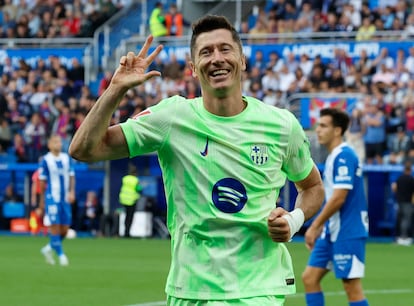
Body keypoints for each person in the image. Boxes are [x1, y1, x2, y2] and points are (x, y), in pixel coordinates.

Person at [69, 15, 324, 305]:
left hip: (257, 287)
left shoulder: (281, 125)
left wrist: (294, 219)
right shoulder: (172, 118)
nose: (217, 58)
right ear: (192, 68)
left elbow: (312, 187)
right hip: (189, 289)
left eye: (225, 49)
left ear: (242, 60)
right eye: (206, 52)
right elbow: (84, 150)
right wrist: (116, 89)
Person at [302, 108, 369, 306]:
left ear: (337, 130)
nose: (318, 130)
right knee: (309, 278)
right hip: (332, 231)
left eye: (323, 126)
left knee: (352, 287)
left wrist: (315, 225)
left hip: (348, 230)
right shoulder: (333, 157)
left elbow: (339, 198)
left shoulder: (345, 155)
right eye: (318, 125)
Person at [38, 134, 76, 266]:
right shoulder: (46, 160)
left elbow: (71, 176)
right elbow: (42, 182)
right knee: (54, 227)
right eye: (55, 142)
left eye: (59, 142)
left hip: (64, 198)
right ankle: (61, 256)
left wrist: (72, 191)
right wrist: (41, 201)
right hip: (52, 198)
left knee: (64, 229)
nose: (58, 144)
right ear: (49, 145)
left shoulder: (66, 158)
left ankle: (49, 248)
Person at [391, 161, 414, 246]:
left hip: (399, 202)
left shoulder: (399, 178)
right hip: (408, 203)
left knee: (399, 219)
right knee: (406, 220)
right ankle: (405, 238)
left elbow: (394, 188)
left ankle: (398, 237)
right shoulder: (411, 179)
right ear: (410, 170)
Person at [119, 164, 142, 238]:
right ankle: (127, 233)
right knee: (130, 217)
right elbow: (138, 189)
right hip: (131, 200)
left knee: (126, 216)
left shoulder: (125, 178)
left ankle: (125, 232)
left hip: (124, 200)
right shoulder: (135, 180)